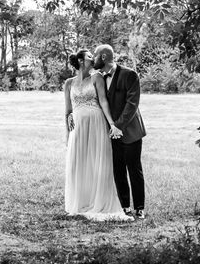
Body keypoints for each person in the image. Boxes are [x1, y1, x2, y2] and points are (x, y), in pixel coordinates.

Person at [63, 49, 132, 221]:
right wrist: (67, 135)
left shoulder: (97, 77)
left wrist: (112, 124)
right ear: (80, 61)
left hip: (96, 124)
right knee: (78, 162)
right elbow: (68, 111)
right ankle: (81, 201)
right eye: (89, 57)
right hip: (77, 128)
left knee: (97, 161)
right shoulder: (69, 84)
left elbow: (103, 101)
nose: (93, 59)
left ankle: (99, 201)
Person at [93, 44, 147, 219]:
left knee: (134, 169)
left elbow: (132, 104)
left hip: (130, 131)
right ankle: (124, 206)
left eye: (94, 56)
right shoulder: (99, 78)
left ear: (103, 57)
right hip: (112, 133)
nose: (93, 59)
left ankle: (139, 208)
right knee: (118, 170)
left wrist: (118, 126)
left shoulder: (129, 74)